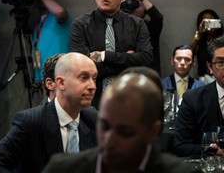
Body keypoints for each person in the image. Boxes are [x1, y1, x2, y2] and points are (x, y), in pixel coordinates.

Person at [43, 70, 201, 173]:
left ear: (153, 131)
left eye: (125, 132)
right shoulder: (62, 169)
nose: (109, 140)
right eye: (104, 126)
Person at [0, 52, 98, 173]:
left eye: (94, 78)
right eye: (83, 78)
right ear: (60, 83)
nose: (92, 86)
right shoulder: (31, 121)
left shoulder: (94, 118)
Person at [70, 0, 153, 109]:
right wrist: (126, 59)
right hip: (91, 101)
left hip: (129, 97)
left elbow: (146, 59)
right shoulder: (80, 25)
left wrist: (104, 56)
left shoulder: (137, 24)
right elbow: (82, 68)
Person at [175, 36, 224, 157]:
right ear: (210, 67)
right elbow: (181, 146)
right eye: (221, 62)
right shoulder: (192, 99)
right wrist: (211, 151)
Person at [121, 0, 163, 74]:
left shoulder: (149, 28)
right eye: (132, 4)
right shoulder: (120, 25)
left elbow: (158, 17)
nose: (134, 7)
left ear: (145, 10)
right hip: (126, 75)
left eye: (139, 5)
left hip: (148, 74)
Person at [162, 45, 204, 113]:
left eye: (187, 59)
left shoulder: (200, 87)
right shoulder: (161, 85)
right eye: (178, 59)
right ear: (172, 60)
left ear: (193, 62)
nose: (182, 63)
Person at [190, 9, 223, 84]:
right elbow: (189, 53)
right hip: (203, 79)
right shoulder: (200, 42)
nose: (210, 24)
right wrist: (199, 33)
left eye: (212, 21)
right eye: (207, 22)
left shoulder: (222, 41)